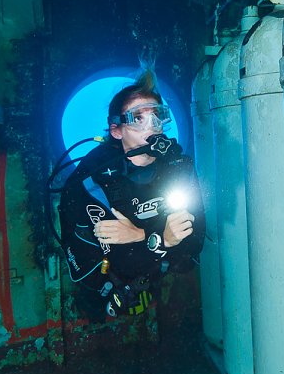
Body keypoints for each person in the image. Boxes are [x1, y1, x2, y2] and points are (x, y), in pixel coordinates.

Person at [58, 74, 205, 319]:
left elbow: (195, 241)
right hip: (110, 277)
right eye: (138, 118)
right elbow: (119, 260)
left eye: (158, 115)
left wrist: (139, 235)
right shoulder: (93, 177)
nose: (152, 125)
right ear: (116, 130)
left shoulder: (178, 166)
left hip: (159, 267)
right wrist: (163, 239)